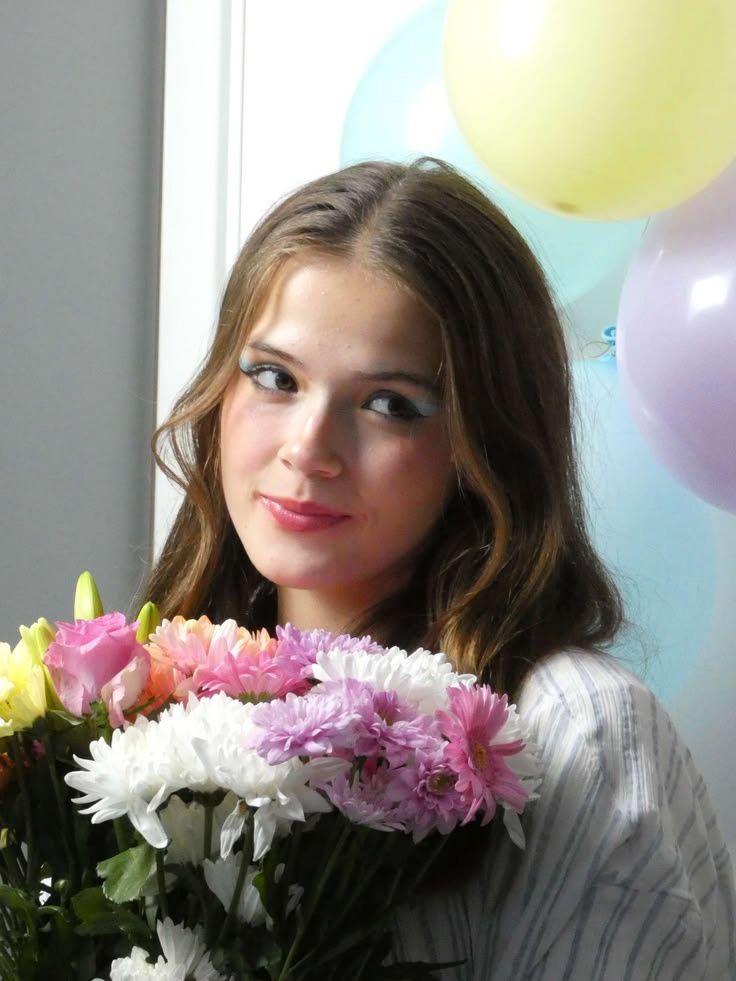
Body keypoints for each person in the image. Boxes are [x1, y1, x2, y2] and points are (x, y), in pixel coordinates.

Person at [138, 157, 735, 979]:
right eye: (276, 378)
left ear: (483, 445)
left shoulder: (577, 733)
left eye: (389, 403)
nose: (308, 448)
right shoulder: (143, 701)